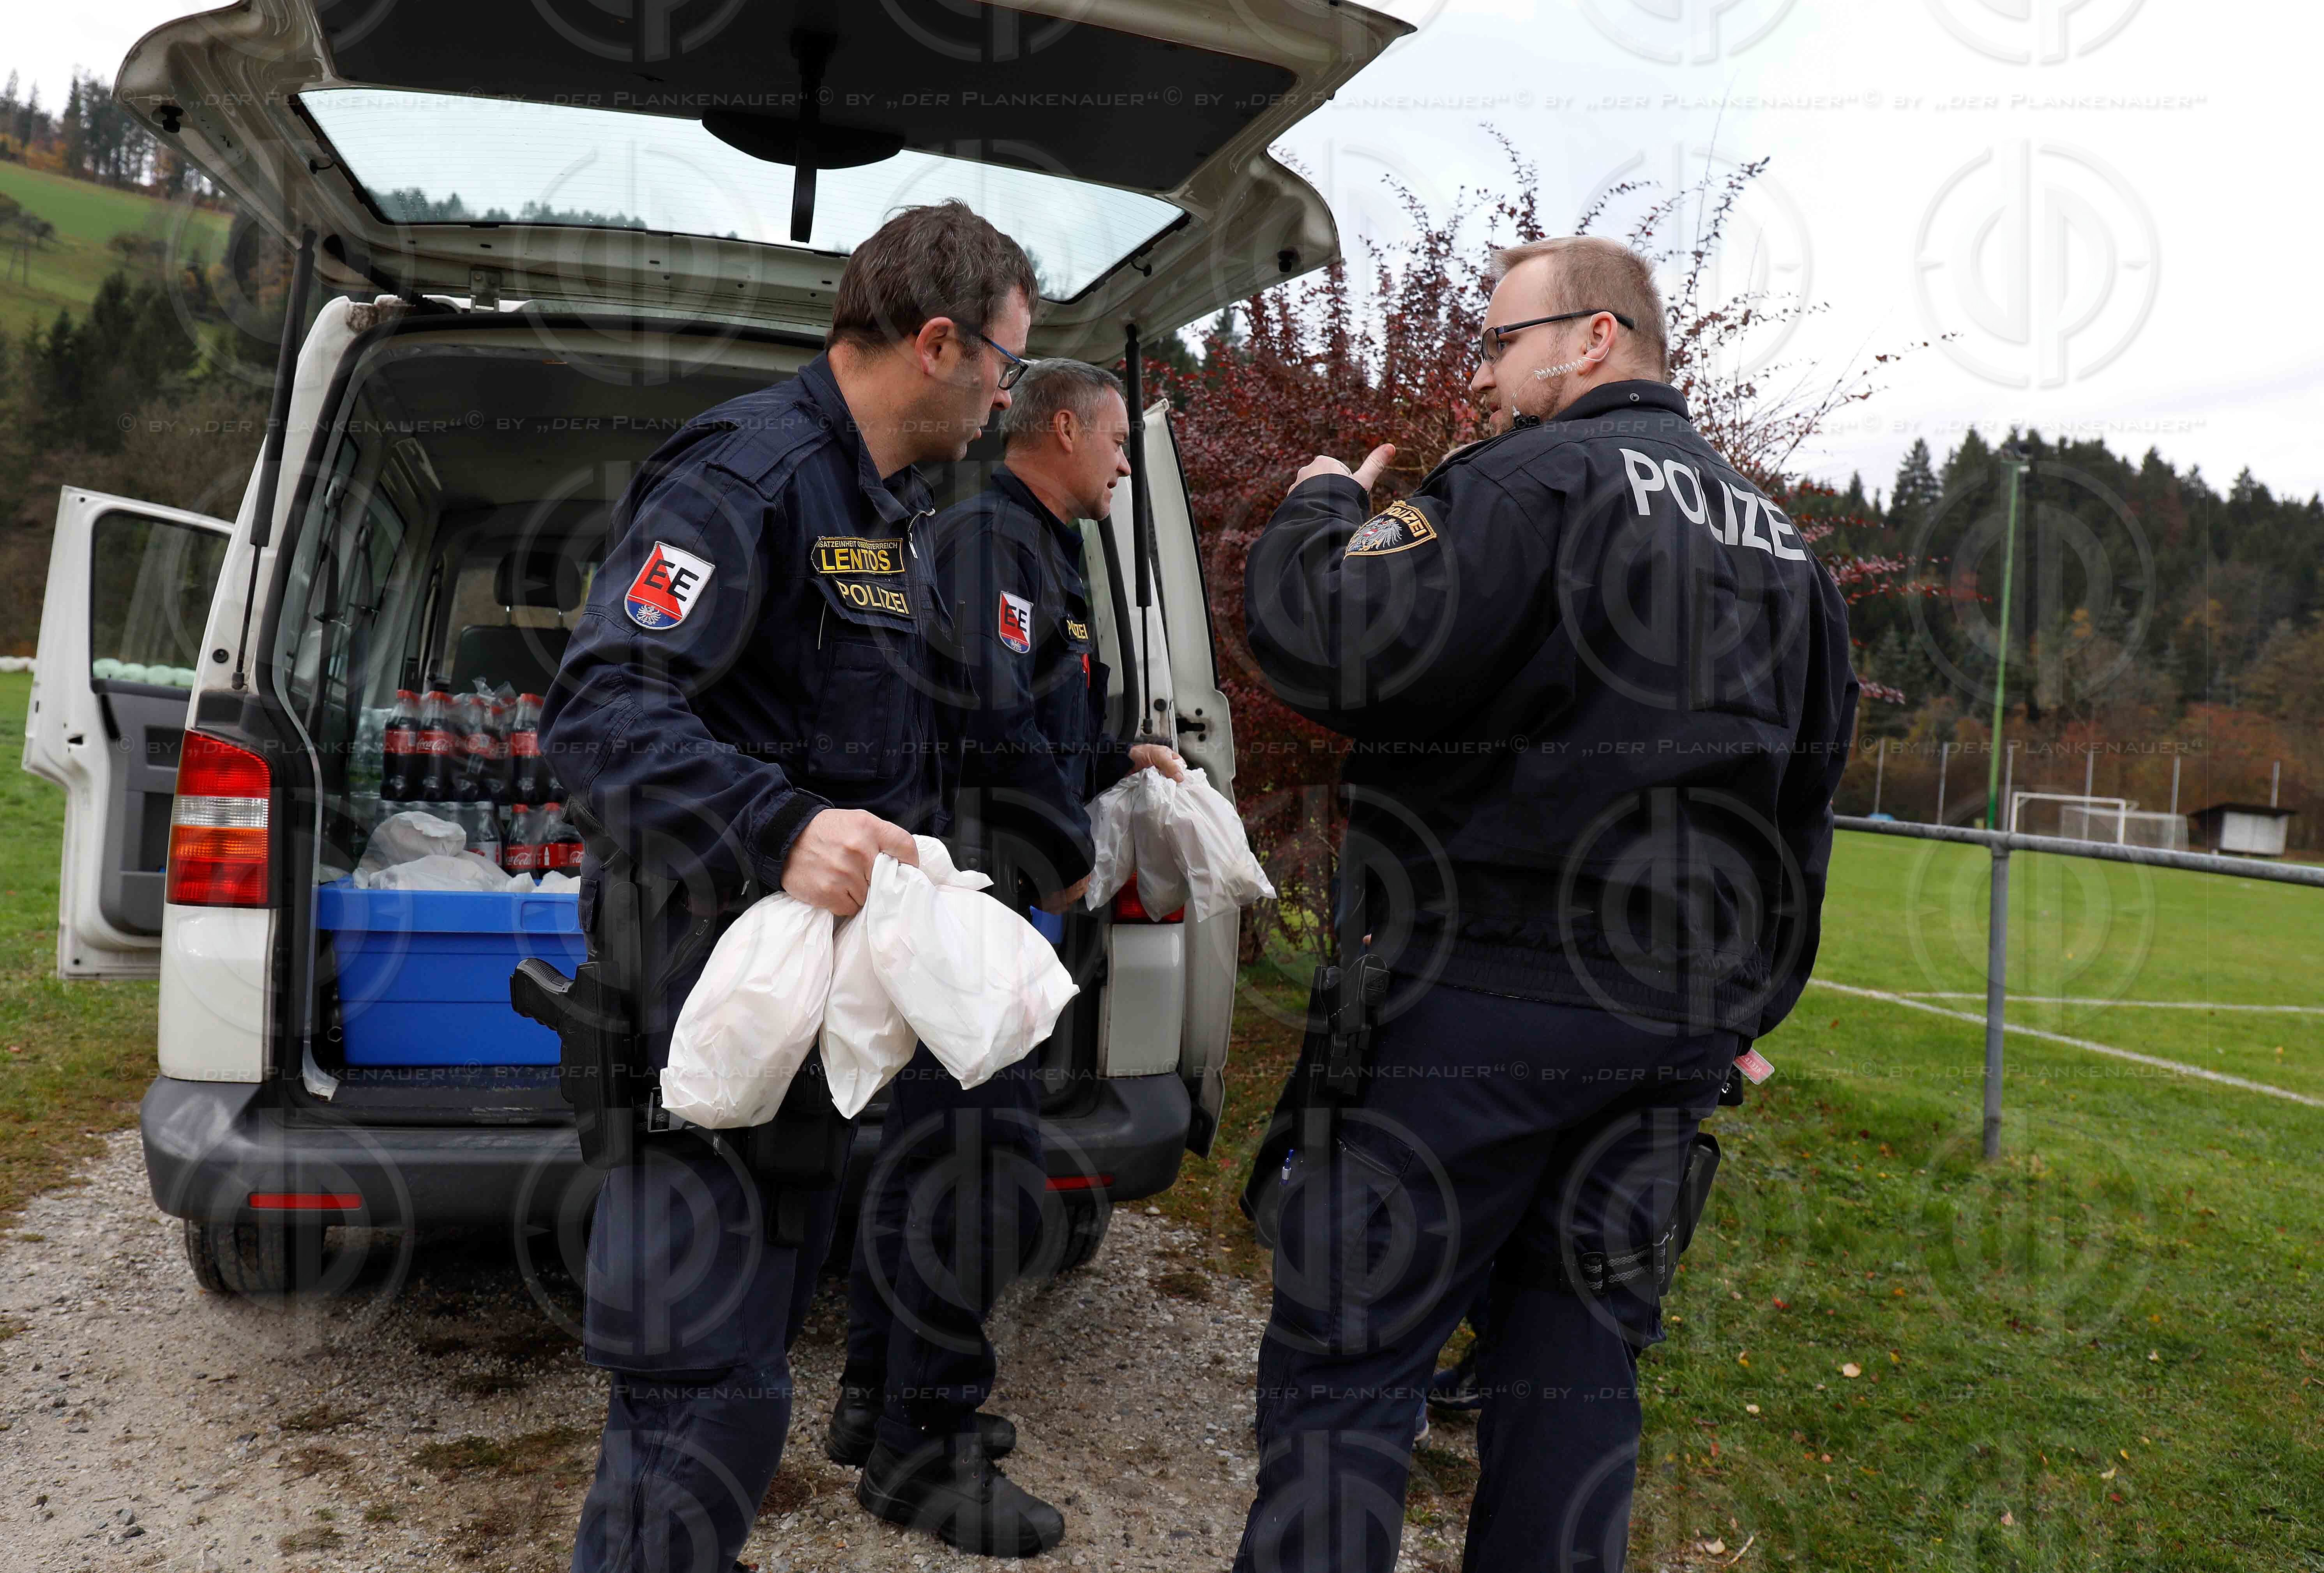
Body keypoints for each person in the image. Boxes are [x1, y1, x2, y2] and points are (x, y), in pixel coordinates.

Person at [1231, 235, 1859, 1573]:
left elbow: (1329, 642)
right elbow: (1803, 806)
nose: (1486, 369)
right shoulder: (1785, 551)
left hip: (1478, 1001)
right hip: (1668, 1022)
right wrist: (1744, 1002)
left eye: (1504, 340)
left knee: (1353, 1353)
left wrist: (1316, 507)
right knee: (1576, 1374)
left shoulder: (1522, 486)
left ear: (1593, 339)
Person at [540, 199, 1037, 1573]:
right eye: (1003, 361)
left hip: (796, 1044)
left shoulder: (891, 511)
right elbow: (596, 714)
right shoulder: (749, 475)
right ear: (938, 343)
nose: (1008, 396)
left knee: (740, 1381)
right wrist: (777, 825)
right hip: (693, 1022)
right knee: (699, 1399)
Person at [827, 357, 1183, 1558]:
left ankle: (877, 1397)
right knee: (973, 1177)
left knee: (932, 1157)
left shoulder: (1036, 547)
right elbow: (982, 710)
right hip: (977, 905)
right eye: (1120, 440)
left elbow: (1037, 713)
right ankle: (919, 1447)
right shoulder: (988, 537)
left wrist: (1117, 761)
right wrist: (1060, 846)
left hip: (995, 904)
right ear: (1067, 428)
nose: (1127, 464)